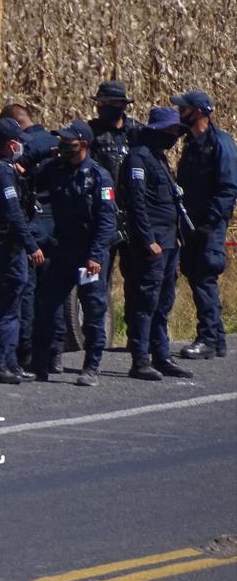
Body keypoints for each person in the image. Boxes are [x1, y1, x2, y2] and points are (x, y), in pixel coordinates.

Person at [32, 120, 117, 386]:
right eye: (62, 142)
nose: (64, 146)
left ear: (84, 145)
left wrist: (95, 256)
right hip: (63, 249)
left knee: (92, 310)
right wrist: (45, 152)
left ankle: (91, 366)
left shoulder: (98, 177)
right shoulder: (55, 170)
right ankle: (43, 362)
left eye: (70, 142)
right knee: (47, 305)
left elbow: (106, 221)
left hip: (89, 252)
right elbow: (27, 172)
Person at [118, 107, 194, 380]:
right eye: (171, 131)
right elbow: (136, 203)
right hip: (152, 243)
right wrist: (148, 240)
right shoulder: (139, 158)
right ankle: (140, 359)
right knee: (145, 301)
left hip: (169, 241)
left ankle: (162, 356)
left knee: (164, 301)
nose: (175, 136)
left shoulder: (159, 158)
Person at [0, 118, 45, 384]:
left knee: (10, 305)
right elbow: (13, 213)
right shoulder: (2, 172)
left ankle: (9, 361)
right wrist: (32, 245)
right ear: (11, 144)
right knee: (8, 306)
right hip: (8, 246)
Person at [171, 91, 237, 360]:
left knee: (205, 275)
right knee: (195, 274)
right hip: (190, 223)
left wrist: (209, 224)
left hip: (209, 225)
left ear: (197, 112)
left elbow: (228, 187)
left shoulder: (220, 143)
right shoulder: (191, 144)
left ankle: (207, 338)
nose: (179, 113)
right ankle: (218, 338)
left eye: (183, 108)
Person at [1, 103, 60, 371]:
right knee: (54, 292)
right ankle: (54, 353)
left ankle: (26, 354)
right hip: (56, 225)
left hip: (33, 224)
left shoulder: (20, 147)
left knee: (28, 293)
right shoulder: (55, 141)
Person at [88, 81, 143, 339]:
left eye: (108, 105)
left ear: (121, 106)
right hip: (102, 217)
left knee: (136, 280)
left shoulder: (136, 133)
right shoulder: (90, 133)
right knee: (98, 281)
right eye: (100, 104)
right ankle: (96, 337)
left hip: (133, 217)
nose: (102, 109)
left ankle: (136, 336)